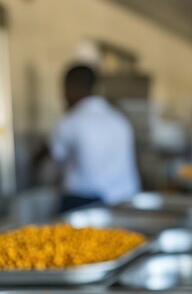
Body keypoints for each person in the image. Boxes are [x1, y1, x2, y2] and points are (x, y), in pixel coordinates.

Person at [50, 65, 140, 212]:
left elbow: (56, 161)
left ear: (71, 87)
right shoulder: (120, 119)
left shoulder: (70, 121)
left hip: (84, 203)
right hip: (125, 200)